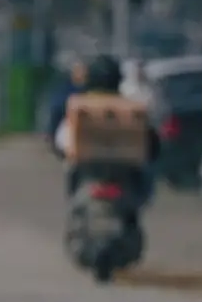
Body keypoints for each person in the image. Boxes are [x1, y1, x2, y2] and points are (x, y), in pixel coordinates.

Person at [54, 54, 161, 221]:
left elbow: (61, 142)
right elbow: (152, 143)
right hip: (125, 178)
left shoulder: (80, 107)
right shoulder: (129, 107)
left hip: (88, 175)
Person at [47, 59, 87, 146]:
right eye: (77, 71)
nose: (80, 73)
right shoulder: (66, 88)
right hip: (68, 123)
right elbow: (57, 108)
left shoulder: (88, 89)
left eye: (82, 71)